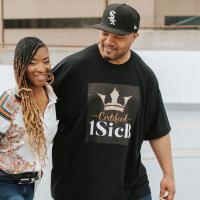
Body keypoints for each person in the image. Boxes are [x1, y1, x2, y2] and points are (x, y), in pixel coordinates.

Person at [51, 3, 175, 200]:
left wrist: (168, 174)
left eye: (118, 36)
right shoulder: (73, 67)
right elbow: (36, 105)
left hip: (130, 187)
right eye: (105, 33)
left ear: (135, 36)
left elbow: (158, 130)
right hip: (77, 188)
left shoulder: (144, 76)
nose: (109, 41)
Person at [0, 37, 58, 200]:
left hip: (31, 185)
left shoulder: (53, 99)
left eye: (46, 61)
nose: (41, 68)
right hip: (5, 183)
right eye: (33, 63)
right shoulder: (10, 100)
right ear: (21, 65)